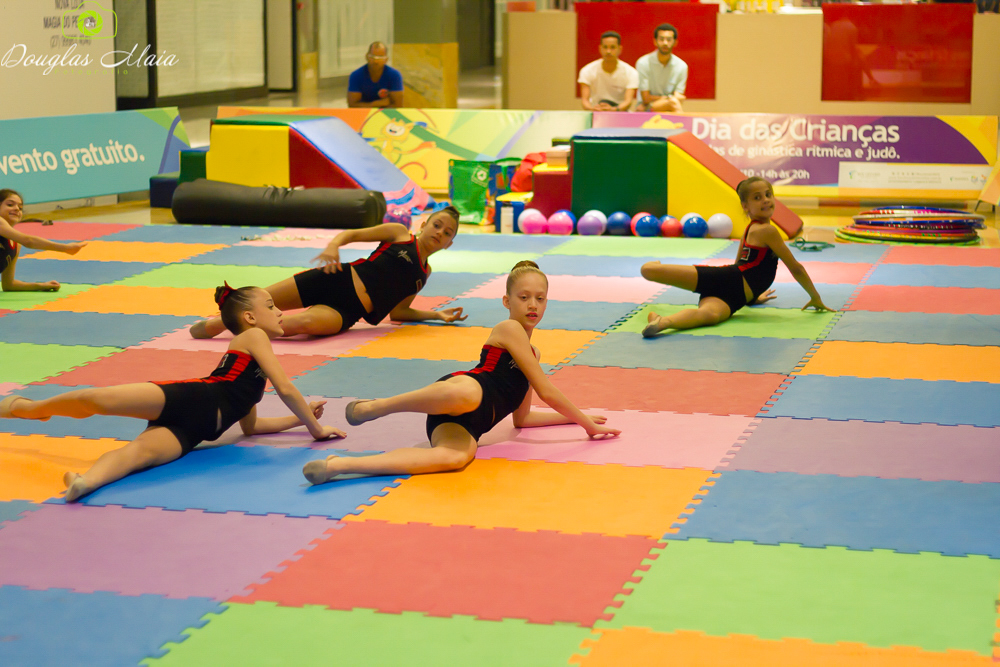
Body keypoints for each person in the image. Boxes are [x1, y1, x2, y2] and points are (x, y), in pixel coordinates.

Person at [0, 285, 345, 502]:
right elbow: (286, 388)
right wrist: (314, 431)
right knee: (97, 399)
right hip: (194, 398)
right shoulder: (255, 338)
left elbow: (251, 428)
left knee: (137, 455)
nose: (281, 311)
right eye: (272, 306)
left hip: (195, 431)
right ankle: (32, 409)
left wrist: (301, 418)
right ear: (250, 317)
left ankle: (84, 482)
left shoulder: (251, 380)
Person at [302, 260, 621, 484]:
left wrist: (575, 417)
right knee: (468, 392)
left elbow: (523, 419)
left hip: (470, 423)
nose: (532, 305)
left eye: (539, 299)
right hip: (459, 392)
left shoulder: (533, 353)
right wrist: (585, 424)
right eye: (523, 298)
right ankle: (375, 406)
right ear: (507, 301)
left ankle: (340, 466)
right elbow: (547, 391)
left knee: (456, 458)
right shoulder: (509, 328)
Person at [190, 207, 466, 340]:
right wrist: (334, 246)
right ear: (424, 224)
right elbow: (352, 234)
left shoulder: (424, 273)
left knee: (305, 323)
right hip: (335, 277)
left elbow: (398, 312)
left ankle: (241, 328)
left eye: (447, 232)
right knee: (260, 299)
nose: (439, 232)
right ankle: (223, 322)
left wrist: (436, 315)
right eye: (437, 225)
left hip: (348, 311)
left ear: (449, 243)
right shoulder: (398, 234)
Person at [640, 177, 833, 337]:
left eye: (768, 195)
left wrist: (752, 296)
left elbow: (744, 262)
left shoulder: (752, 228)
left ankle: (661, 322)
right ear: (745, 206)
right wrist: (814, 296)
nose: (765, 200)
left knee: (710, 316)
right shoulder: (767, 231)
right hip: (728, 279)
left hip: (736, 294)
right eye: (757, 197)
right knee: (648, 270)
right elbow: (795, 267)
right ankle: (655, 264)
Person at [0, 188, 87, 292]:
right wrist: (65, 248)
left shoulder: (15, 245)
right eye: (10, 205)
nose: (17, 209)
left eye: (20, 207)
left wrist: (42, 285)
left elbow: (9, 285)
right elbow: (29, 241)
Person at [578, 31, 638, 112]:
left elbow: (628, 101)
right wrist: (593, 109)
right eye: (605, 47)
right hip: (596, 112)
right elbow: (585, 101)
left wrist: (614, 109)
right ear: (600, 48)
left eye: (612, 47)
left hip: (620, 113)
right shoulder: (587, 70)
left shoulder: (631, 72)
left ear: (619, 49)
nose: (608, 51)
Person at [635, 24, 688, 113]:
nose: (665, 43)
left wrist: (671, 99)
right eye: (661, 39)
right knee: (673, 102)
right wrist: (669, 98)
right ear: (655, 41)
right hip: (646, 107)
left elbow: (678, 95)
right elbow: (646, 98)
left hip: (669, 105)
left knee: (673, 102)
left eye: (669, 40)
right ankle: (685, 125)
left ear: (675, 42)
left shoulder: (682, 66)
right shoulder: (643, 63)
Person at [347, 41, 404, 109]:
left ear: (386, 59)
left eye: (380, 57)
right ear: (366, 57)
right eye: (372, 57)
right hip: (363, 116)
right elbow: (353, 106)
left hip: (388, 117)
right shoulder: (356, 76)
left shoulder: (394, 75)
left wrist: (366, 106)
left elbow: (398, 106)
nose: (375, 61)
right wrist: (376, 104)